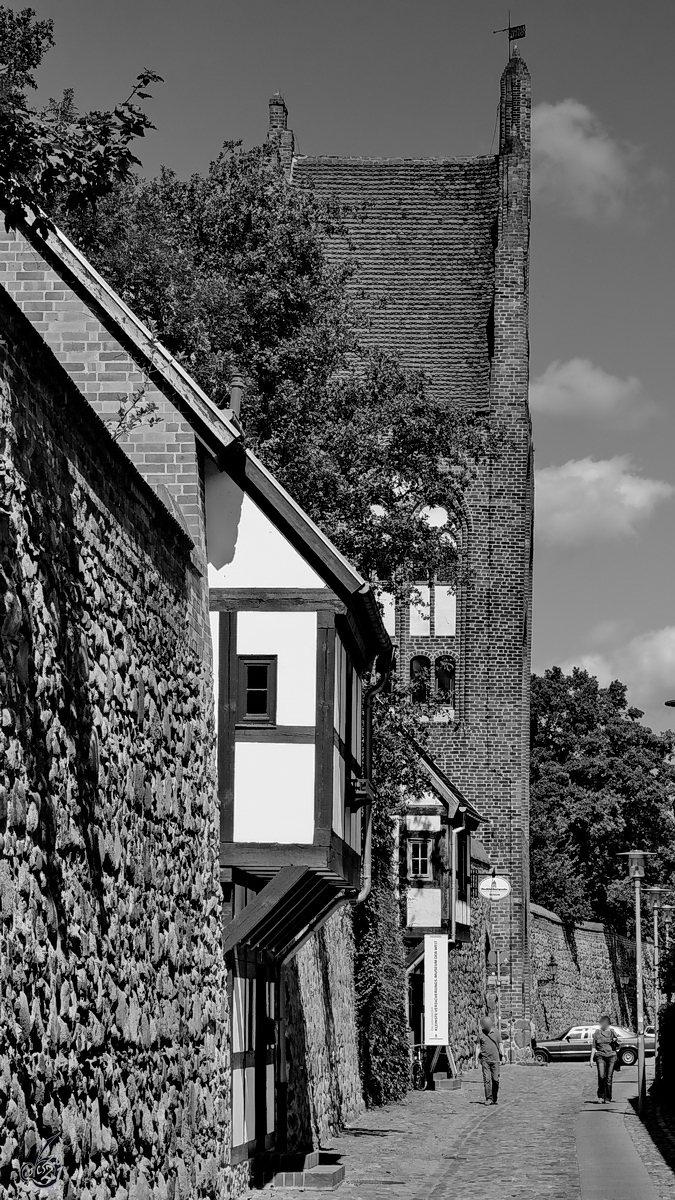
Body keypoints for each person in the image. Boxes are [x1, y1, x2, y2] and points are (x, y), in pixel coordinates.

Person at [475, 1015, 504, 1105]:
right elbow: (478, 1047)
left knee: (495, 1080)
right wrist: (476, 1060)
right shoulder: (481, 1034)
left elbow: (500, 1044)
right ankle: (488, 1098)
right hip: (485, 1060)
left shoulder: (496, 1032)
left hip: (495, 1060)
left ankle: (494, 1097)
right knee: (487, 1080)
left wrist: (503, 1056)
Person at [590, 1015, 619, 1103]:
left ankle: (607, 1097)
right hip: (600, 1056)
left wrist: (615, 1040)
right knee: (601, 1076)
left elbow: (617, 1045)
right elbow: (594, 1047)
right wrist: (591, 1059)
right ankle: (601, 1096)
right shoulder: (597, 1033)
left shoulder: (612, 1032)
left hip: (611, 1056)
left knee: (609, 1077)